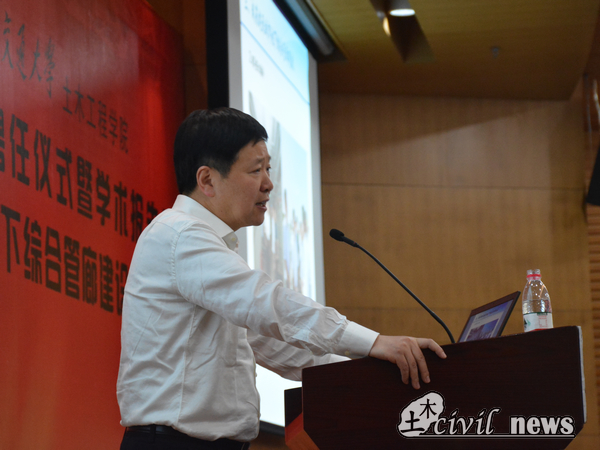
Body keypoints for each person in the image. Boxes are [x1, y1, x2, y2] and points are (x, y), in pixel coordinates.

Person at [116, 108, 447, 450]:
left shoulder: (205, 246)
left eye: (268, 169)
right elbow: (267, 303)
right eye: (255, 170)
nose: (268, 183)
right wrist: (374, 342)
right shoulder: (180, 235)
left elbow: (275, 345)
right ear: (207, 180)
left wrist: (364, 371)